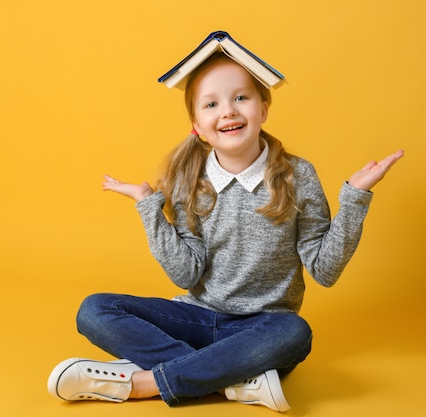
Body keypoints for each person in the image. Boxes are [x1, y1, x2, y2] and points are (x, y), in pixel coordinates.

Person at [47, 44, 403, 412]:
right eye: (211, 104)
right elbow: (185, 274)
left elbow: (324, 271)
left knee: (296, 335)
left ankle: (148, 382)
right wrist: (148, 206)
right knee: (94, 310)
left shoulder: (299, 176)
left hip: (263, 329)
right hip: (196, 319)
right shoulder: (188, 181)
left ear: (263, 108)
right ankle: (229, 378)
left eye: (241, 97)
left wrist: (356, 198)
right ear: (197, 126)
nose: (228, 111)